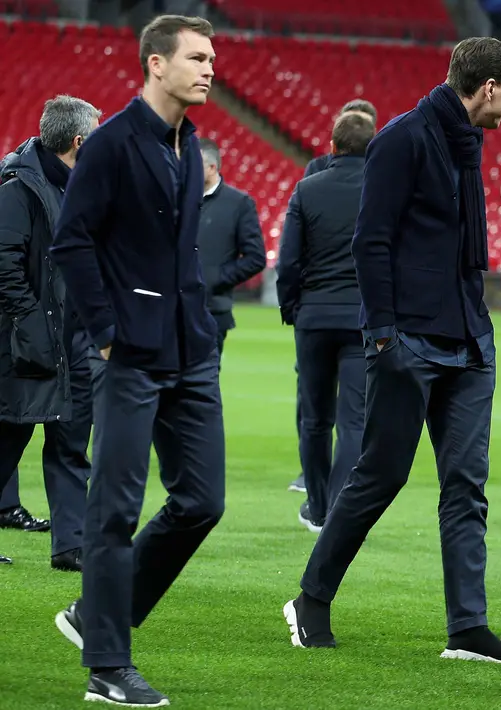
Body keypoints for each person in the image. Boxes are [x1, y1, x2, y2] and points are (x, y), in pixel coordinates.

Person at [281, 36, 501, 665]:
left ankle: (467, 627)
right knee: (380, 476)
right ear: (489, 87)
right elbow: (372, 242)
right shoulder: (402, 138)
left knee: (467, 485)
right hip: (409, 338)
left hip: (470, 339)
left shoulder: (469, 141)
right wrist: (384, 333)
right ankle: (311, 598)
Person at [48, 15, 224, 707]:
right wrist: (108, 330)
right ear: (157, 63)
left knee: (202, 501)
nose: (210, 68)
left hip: (190, 348)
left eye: (212, 58)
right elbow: (72, 241)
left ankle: (96, 614)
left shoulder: (190, 143)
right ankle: (107, 665)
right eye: (198, 57)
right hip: (132, 353)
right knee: (114, 508)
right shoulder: (113, 142)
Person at [0, 95, 101, 570]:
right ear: (79, 141)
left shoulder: (83, 187)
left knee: (71, 442)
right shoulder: (18, 185)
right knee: (8, 439)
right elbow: (4, 266)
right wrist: (32, 323)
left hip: (74, 339)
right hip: (28, 339)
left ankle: (71, 546)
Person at [275, 112, 373, 533]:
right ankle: (338, 510)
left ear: (332, 147)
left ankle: (316, 506)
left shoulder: (306, 189)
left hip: (313, 318)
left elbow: (288, 261)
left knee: (315, 419)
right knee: (354, 421)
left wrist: (290, 307)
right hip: (361, 319)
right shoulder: (381, 191)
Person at [197, 136, 266, 357]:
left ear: (211, 167)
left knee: (204, 384)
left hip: (212, 311)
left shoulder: (239, 204)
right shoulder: (177, 198)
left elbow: (256, 258)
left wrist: (215, 277)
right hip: (171, 310)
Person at [302, 99, 377, 179]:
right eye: (348, 122)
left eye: (362, 124)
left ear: (374, 131)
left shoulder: (382, 168)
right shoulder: (316, 166)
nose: (354, 129)